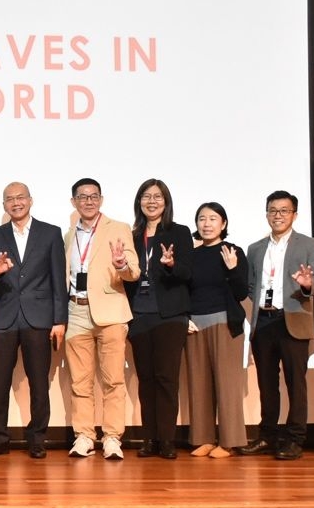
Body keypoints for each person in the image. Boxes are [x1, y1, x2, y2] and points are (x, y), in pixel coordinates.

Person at [0, 181, 67, 458]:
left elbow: (58, 279)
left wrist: (59, 320)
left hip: (38, 317)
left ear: (30, 200)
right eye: (10, 199)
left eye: (20, 197)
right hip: (4, 316)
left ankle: (37, 438)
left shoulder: (51, 233)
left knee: (39, 382)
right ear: (4, 205)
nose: (16, 203)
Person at [236, 191, 314, 461]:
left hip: (293, 319)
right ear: (266, 214)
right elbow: (251, 285)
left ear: (295, 214)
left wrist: (307, 284)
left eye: (284, 210)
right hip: (264, 321)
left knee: (296, 383)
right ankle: (268, 436)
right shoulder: (255, 248)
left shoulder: (309, 244)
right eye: (273, 210)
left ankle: (295, 439)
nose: (278, 215)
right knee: (266, 383)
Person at [62, 178, 139, 460]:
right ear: (74, 202)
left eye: (94, 196)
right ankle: (84, 436)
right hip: (76, 312)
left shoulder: (118, 228)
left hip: (111, 313)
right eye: (82, 197)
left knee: (113, 380)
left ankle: (112, 437)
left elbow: (134, 271)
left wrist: (122, 265)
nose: (89, 201)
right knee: (80, 382)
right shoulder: (68, 235)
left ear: (101, 200)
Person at [124, 179, 192, 460]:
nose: (151, 201)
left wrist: (172, 265)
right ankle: (149, 439)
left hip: (170, 315)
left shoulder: (180, 232)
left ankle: (166, 439)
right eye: (146, 196)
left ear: (166, 201)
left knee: (166, 378)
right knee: (146, 379)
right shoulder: (132, 235)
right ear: (139, 201)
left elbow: (188, 273)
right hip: (139, 315)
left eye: (157, 196)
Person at [185, 202, 250, 459]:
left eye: (213, 218)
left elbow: (241, 292)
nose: (207, 223)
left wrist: (233, 269)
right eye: (202, 218)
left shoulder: (234, 251)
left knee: (227, 385)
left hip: (224, 323)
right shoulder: (191, 255)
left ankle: (229, 441)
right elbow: (183, 292)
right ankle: (203, 439)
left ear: (223, 224)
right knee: (198, 384)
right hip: (195, 326)